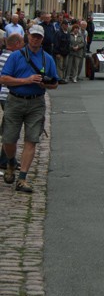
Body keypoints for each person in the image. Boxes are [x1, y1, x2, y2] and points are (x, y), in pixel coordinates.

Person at [0, 25, 59, 192]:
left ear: (42, 39)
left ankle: (22, 178)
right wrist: (26, 80)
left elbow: (55, 83)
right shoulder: (15, 57)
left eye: (39, 37)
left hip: (36, 102)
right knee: (8, 139)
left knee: (31, 140)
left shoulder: (48, 59)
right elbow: (3, 79)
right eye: (33, 36)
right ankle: (11, 162)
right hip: (15, 100)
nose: (35, 39)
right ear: (27, 36)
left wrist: (45, 83)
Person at [0, 34, 24, 174]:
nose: (23, 46)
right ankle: (6, 160)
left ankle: (5, 159)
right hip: (8, 94)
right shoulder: (12, 57)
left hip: (4, 94)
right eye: (21, 43)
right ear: (15, 44)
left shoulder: (3, 56)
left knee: (7, 127)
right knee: (9, 130)